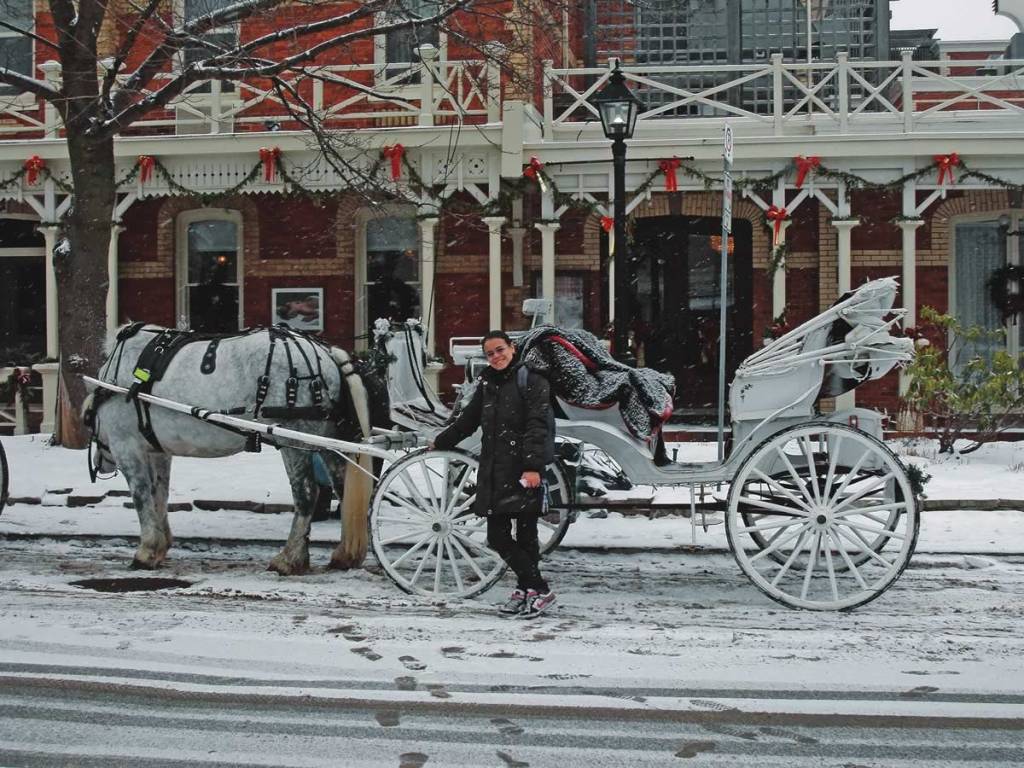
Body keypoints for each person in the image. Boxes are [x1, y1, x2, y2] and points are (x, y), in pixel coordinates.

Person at [430, 330, 557, 618]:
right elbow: (468, 421)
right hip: (495, 470)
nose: (496, 357)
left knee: (527, 536)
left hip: (523, 470)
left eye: (500, 350)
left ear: (512, 348)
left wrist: (532, 467)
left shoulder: (533, 380)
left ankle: (532, 590)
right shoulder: (488, 383)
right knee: (498, 536)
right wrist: (441, 441)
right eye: (490, 353)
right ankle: (533, 588)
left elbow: (537, 425)